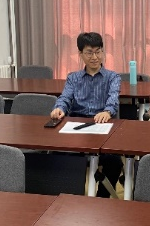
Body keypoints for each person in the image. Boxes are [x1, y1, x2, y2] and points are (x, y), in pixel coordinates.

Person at [51, 32, 122, 198]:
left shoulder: (113, 77)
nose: (95, 57)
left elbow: (113, 98)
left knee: (114, 162)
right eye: (89, 53)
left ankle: (101, 198)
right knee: (58, 155)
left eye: (98, 52)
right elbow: (65, 98)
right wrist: (59, 108)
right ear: (80, 54)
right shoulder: (73, 78)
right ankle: (68, 198)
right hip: (77, 127)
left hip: (102, 125)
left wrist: (107, 111)